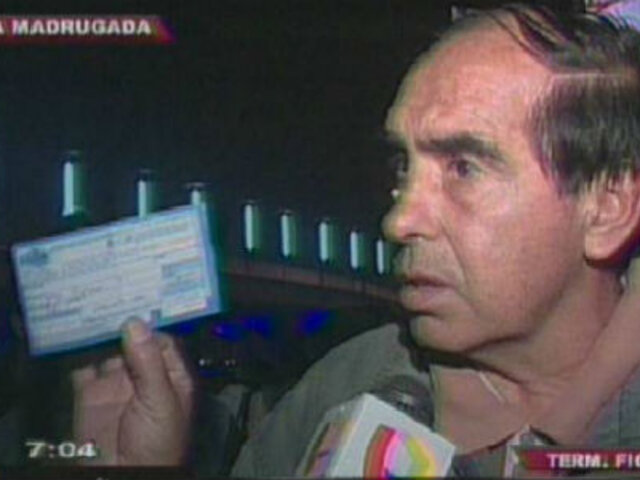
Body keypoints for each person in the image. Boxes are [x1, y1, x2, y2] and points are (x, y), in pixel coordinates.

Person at [72, 3, 640, 477]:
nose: (399, 220)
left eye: (464, 168)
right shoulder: (347, 382)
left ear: (607, 210)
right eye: (403, 167)